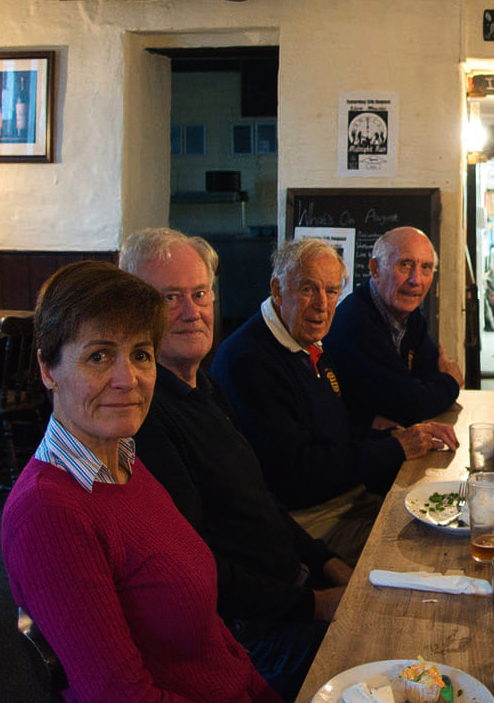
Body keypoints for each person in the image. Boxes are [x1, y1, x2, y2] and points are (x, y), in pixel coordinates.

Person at [0, 261, 280, 703]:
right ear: (48, 369)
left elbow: (210, 634)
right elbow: (120, 696)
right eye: (99, 356)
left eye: (141, 354)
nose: (127, 379)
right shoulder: (48, 513)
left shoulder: (126, 460)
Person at [121, 229, 351, 699]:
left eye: (200, 294)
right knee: (390, 655)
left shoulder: (202, 388)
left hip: (290, 591)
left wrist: (329, 564)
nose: (192, 312)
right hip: (251, 637)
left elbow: (261, 502)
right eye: (170, 298)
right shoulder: (143, 417)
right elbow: (201, 569)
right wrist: (314, 603)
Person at [210, 238, 457, 565]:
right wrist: (396, 447)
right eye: (308, 289)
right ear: (278, 289)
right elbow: (301, 471)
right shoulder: (251, 361)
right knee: (430, 554)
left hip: (348, 499)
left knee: (450, 520)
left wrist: (399, 436)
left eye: (331, 291)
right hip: (310, 523)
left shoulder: (307, 344)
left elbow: (338, 434)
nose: (323, 305)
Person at [324, 226, 463, 428]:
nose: (416, 280)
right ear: (375, 269)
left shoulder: (408, 312)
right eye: (405, 265)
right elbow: (410, 405)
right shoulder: (357, 324)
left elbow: (428, 373)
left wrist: (421, 391)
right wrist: (449, 381)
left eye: (426, 268)